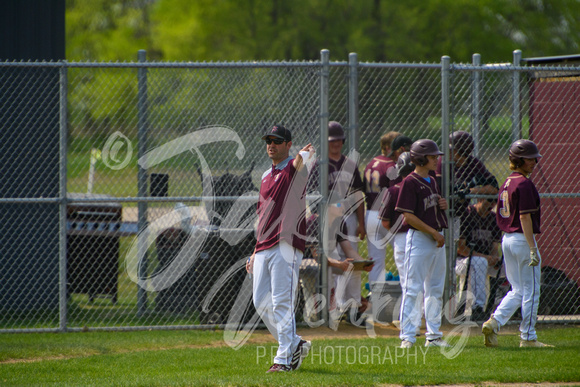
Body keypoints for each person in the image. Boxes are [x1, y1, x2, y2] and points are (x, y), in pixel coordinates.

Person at [245, 124, 316, 372]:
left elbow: (298, 164)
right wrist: (255, 250)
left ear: (287, 144)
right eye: (268, 140)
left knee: (281, 302)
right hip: (264, 244)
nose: (271, 145)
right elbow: (263, 215)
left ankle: (284, 360)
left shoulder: (295, 170)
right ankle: (295, 344)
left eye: (277, 140)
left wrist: (301, 155)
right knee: (260, 302)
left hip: (286, 243)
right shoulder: (266, 176)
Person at [482, 139, 553, 348]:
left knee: (517, 290)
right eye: (530, 159)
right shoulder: (524, 183)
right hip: (522, 239)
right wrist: (533, 248)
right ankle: (528, 337)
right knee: (531, 290)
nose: (534, 163)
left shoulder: (507, 182)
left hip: (507, 240)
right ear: (519, 160)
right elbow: (524, 217)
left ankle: (494, 323)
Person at [308, 121, 366, 323]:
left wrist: (361, 222)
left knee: (353, 262)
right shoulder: (319, 165)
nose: (336, 144)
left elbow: (358, 194)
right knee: (332, 262)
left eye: (338, 140)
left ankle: (353, 308)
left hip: (348, 219)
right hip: (327, 219)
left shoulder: (350, 164)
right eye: (332, 140)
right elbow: (314, 198)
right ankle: (332, 308)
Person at [395, 140, 449, 348]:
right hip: (420, 239)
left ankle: (433, 336)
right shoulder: (410, 181)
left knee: (435, 288)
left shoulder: (432, 179)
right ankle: (407, 337)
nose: (436, 159)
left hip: (435, 240)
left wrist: (441, 203)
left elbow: (430, 206)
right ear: (420, 158)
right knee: (413, 288)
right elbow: (408, 216)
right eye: (433, 156)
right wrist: (434, 233)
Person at [379, 151, 423, 334]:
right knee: (422, 281)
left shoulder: (392, 190)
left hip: (401, 238)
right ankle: (419, 319)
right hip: (422, 237)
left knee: (408, 283)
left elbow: (385, 222)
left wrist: (397, 232)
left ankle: (409, 324)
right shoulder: (422, 188)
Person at [364, 134, 413, 283]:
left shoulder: (371, 162)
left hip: (370, 214)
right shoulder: (391, 166)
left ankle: (375, 296)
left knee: (376, 261)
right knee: (404, 257)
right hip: (386, 216)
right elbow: (396, 193)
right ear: (387, 147)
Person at [437, 131, 498, 239]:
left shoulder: (473, 163)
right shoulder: (442, 162)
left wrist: (470, 191)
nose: (448, 152)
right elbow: (436, 186)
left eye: (452, 150)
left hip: (456, 215)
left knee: (452, 249)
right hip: (438, 214)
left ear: (462, 152)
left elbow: (494, 188)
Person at [454, 198, 501, 321]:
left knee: (507, 264)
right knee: (479, 262)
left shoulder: (494, 218)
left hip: (485, 260)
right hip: (461, 261)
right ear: (480, 198)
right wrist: (485, 257)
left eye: (494, 201)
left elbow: (494, 247)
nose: (492, 204)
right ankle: (478, 307)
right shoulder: (467, 214)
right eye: (489, 200)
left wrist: (495, 258)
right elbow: (461, 248)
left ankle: (505, 304)